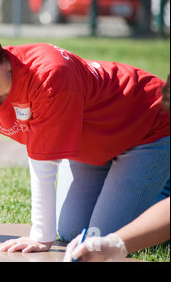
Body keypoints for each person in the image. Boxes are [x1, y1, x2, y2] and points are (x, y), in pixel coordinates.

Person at [0, 13, 170, 254]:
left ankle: (163, 187)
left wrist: (41, 236)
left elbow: (43, 165)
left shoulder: (49, 75)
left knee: (104, 239)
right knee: (74, 233)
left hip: (146, 128)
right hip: (95, 148)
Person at [63, 75, 170, 262]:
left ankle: (160, 181)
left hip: (151, 137)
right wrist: (115, 244)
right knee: (69, 231)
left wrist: (116, 242)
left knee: (103, 232)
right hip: (125, 129)